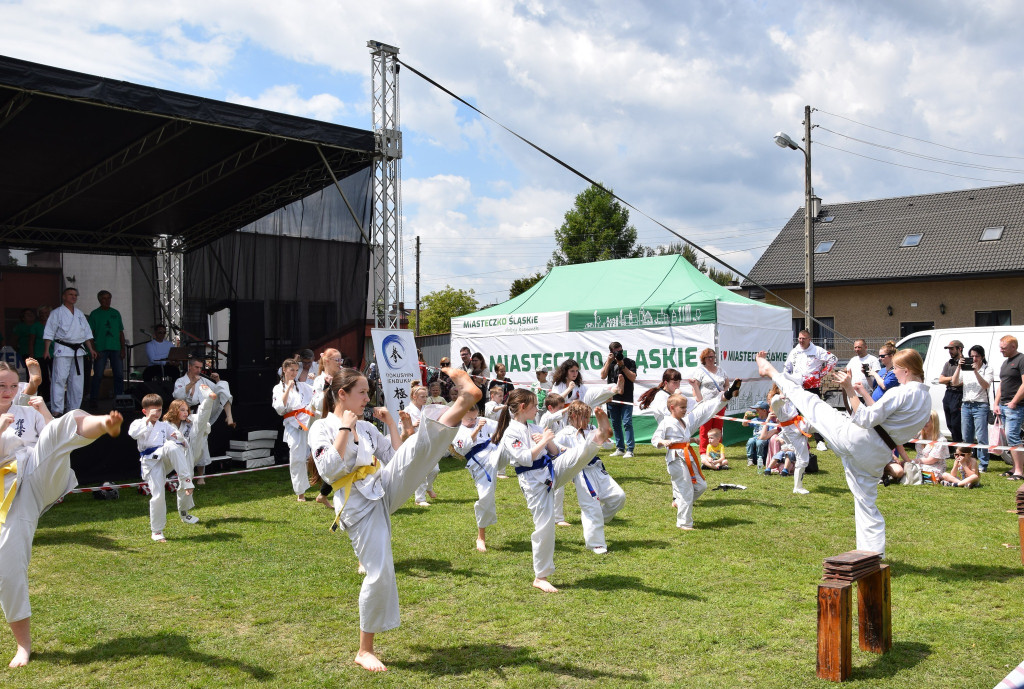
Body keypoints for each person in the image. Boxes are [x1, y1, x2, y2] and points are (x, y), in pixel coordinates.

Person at [307, 367, 480, 672]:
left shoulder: (368, 427)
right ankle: (364, 650)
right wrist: (345, 430)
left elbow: (398, 455)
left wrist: (392, 425)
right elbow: (329, 470)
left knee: (418, 449)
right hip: (357, 505)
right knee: (380, 571)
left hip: (381, 485)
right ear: (342, 394)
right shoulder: (322, 428)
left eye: (367, 393)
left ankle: (463, 401)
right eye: (362, 392)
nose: (367, 398)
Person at [0, 361, 123, 667]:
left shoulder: (26, 409)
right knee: (8, 566)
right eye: (2, 386)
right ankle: (23, 645)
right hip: (9, 492)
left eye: (13, 386)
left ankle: (105, 423)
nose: (8, 392)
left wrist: (41, 411)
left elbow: (55, 436)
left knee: (59, 425)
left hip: (38, 473)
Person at [755, 348, 931, 556]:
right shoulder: (926, 402)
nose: (893, 374)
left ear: (907, 370)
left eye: (896, 370)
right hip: (878, 455)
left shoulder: (902, 392)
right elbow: (881, 416)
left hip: (859, 439)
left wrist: (849, 390)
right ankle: (873, 556)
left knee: (813, 405)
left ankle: (772, 372)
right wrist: (860, 393)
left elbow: (865, 419)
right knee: (866, 506)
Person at [494, 388, 611, 593]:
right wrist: (545, 441)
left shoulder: (533, 426)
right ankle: (540, 577)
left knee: (577, 455)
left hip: (551, 470)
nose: (537, 410)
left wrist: (549, 442)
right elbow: (524, 458)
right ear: (523, 407)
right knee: (545, 527)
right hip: (534, 483)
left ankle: (599, 435)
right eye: (533, 407)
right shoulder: (511, 432)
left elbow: (556, 452)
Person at [651, 387, 732, 529]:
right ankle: (684, 523)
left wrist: (693, 440)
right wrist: (662, 442)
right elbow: (655, 438)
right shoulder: (666, 422)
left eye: (685, 407)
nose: (684, 410)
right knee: (686, 490)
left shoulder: (684, 421)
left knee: (701, 486)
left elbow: (683, 437)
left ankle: (680, 502)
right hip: (676, 458)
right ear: (672, 408)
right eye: (682, 408)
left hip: (688, 455)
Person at [128, 393, 205, 541]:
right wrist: (147, 421)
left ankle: (186, 480)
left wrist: (180, 438)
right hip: (150, 463)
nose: (157, 413)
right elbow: (133, 433)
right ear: (145, 411)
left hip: (164, 458)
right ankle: (157, 531)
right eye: (153, 410)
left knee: (172, 445)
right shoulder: (138, 423)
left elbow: (178, 436)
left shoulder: (164, 426)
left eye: (159, 410)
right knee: (158, 495)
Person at [558, 400, 623, 554]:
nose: (587, 421)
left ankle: (598, 519)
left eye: (589, 417)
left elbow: (609, 444)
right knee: (591, 506)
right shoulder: (564, 433)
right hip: (581, 472)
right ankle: (596, 544)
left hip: (597, 468)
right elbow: (554, 449)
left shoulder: (592, 429)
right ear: (573, 416)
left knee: (618, 497)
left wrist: (605, 434)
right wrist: (570, 452)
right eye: (584, 417)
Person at [173, 357, 236, 484]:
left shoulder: (203, 380)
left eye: (201, 368)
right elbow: (177, 396)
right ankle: (186, 474)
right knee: (189, 443)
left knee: (223, 384)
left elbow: (218, 389)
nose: (199, 370)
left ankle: (229, 416)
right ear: (189, 367)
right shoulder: (181, 381)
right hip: (187, 415)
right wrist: (191, 384)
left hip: (202, 413)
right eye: (196, 367)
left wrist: (217, 380)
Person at [450, 406, 501, 552]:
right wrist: (477, 429)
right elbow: (464, 447)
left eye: (475, 417)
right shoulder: (457, 430)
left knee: (514, 441)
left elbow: (502, 426)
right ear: (461, 416)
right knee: (485, 497)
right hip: (479, 462)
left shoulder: (481, 420)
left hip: (495, 450)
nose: (473, 421)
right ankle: (481, 537)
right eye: (469, 419)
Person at [42, 287, 97, 415]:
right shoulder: (57, 313)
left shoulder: (79, 314)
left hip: (78, 351)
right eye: (70, 294)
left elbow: (86, 333)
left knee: (77, 382)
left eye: (75, 295)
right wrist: (46, 350)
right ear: (64, 297)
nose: (73, 297)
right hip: (63, 348)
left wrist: (91, 349)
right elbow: (49, 331)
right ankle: (57, 409)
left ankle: (74, 409)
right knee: (59, 379)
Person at [273, 359, 315, 501]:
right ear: (284, 370)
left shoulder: (303, 386)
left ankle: (324, 485)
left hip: (309, 421)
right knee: (297, 457)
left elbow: (318, 394)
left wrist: (317, 380)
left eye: (297, 370)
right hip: (293, 424)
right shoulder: (278, 388)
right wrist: (288, 389)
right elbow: (279, 409)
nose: (294, 373)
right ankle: (300, 492)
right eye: (292, 370)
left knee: (314, 454)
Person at [953, 344, 995, 472]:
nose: (974, 359)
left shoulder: (987, 369)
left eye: (977, 356)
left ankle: (983, 464)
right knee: (966, 437)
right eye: (971, 356)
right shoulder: (964, 369)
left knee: (982, 436)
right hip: (966, 404)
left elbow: (986, 385)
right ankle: (967, 462)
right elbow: (954, 382)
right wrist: (959, 366)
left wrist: (976, 371)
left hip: (980, 405)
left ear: (982, 357)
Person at [768, 382, 812, 494]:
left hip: (801, 423)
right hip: (792, 431)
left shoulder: (791, 397)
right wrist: (780, 397)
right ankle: (797, 487)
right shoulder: (777, 400)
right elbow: (775, 402)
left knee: (820, 423)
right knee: (803, 459)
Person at [87, 290, 126, 407]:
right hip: (100, 348)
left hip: (116, 347)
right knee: (98, 374)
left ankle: (119, 398)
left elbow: (120, 332)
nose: (107, 300)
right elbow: (90, 334)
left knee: (119, 374)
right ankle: (93, 399)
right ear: (99, 300)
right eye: (104, 298)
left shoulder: (116, 313)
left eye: (109, 298)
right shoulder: (94, 314)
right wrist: (93, 349)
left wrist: (123, 348)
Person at [994, 335, 1024, 481]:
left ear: (1013, 346)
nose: (1001, 350)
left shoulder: (1021, 360)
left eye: (1003, 348)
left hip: (1015, 407)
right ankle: (1014, 468)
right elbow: (1002, 384)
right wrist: (996, 403)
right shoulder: (1005, 363)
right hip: (1003, 406)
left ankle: (1020, 471)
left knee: (1013, 436)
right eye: (1000, 347)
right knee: (1009, 438)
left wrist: (1014, 402)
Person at [600, 342, 637, 458]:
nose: (619, 352)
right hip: (612, 397)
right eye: (616, 351)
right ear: (611, 351)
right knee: (615, 424)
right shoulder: (609, 363)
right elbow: (602, 375)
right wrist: (608, 361)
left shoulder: (629, 362)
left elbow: (633, 377)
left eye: (620, 350)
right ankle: (620, 448)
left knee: (627, 423)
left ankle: (630, 449)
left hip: (626, 397)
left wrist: (622, 365)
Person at [693, 348, 727, 455]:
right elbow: (695, 388)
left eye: (713, 356)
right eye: (709, 357)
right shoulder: (700, 372)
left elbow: (727, 385)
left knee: (718, 429)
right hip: (705, 405)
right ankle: (704, 452)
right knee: (705, 429)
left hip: (719, 405)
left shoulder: (721, 370)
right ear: (704, 358)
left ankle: (717, 452)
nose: (711, 359)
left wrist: (725, 393)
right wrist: (699, 402)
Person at [783, 329, 837, 397]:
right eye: (800, 338)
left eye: (803, 339)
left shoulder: (817, 350)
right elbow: (787, 368)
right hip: (797, 387)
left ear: (809, 339)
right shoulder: (794, 352)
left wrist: (822, 373)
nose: (801, 341)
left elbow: (833, 359)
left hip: (812, 387)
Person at [936, 339, 965, 443]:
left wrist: (950, 380)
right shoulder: (948, 363)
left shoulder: (965, 363)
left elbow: (962, 381)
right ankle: (957, 445)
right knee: (950, 423)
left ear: (959, 349)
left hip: (959, 394)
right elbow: (941, 380)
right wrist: (952, 379)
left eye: (952, 349)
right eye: (949, 349)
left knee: (956, 423)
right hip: (948, 394)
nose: (950, 351)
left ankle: (960, 446)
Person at [742, 402, 774, 470]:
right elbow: (744, 424)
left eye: (757, 410)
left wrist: (762, 437)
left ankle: (760, 459)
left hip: (764, 438)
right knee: (750, 441)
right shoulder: (755, 419)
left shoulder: (769, 421)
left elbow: (770, 432)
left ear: (764, 411)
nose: (756, 412)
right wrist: (745, 416)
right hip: (755, 437)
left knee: (759, 442)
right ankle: (750, 459)